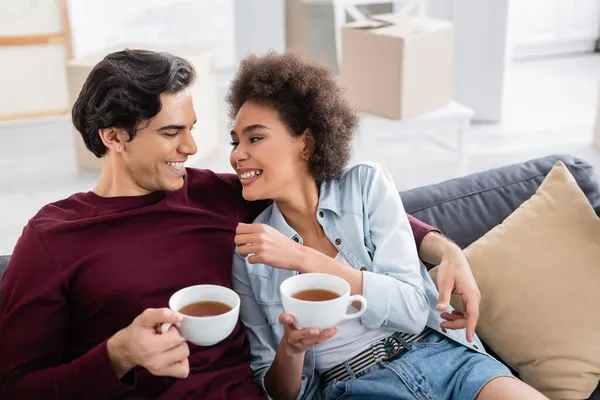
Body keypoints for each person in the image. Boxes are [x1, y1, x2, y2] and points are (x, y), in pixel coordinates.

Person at [0, 49, 477, 399]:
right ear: (114, 136)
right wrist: (116, 357)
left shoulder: (212, 194)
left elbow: (315, 194)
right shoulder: (52, 238)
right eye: (172, 132)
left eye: (191, 128)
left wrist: (440, 246)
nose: (191, 147)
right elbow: (16, 386)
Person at [228, 52, 548, 400]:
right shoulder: (249, 254)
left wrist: (307, 260)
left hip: (446, 360)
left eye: (254, 138)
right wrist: (290, 350)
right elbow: (281, 391)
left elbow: (413, 311)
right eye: (235, 142)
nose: (237, 154)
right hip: (353, 387)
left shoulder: (366, 186)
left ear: (305, 142)